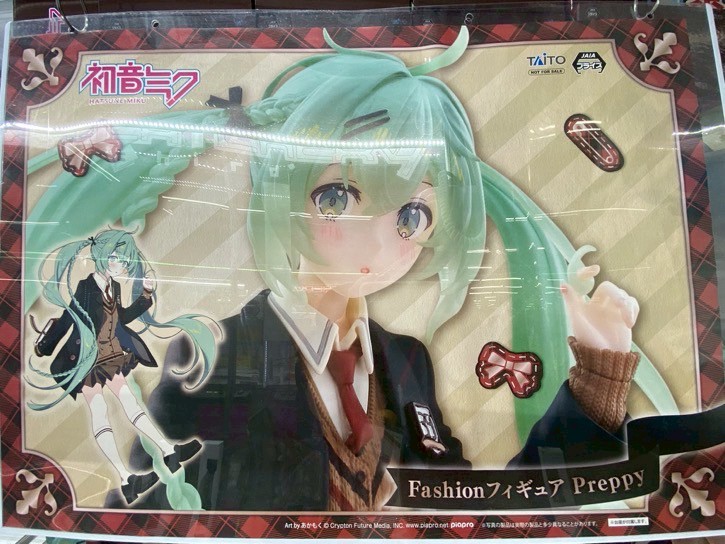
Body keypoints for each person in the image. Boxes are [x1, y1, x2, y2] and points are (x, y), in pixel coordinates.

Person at [129, 27, 647, 511]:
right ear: (282, 193)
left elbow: (474, 513)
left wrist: (597, 380)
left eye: (411, 217)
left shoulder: (406, 363)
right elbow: (143, 511)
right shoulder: (215, 356)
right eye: (335, 197)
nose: (378, 244)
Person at [29, 228, 216, 504]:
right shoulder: (85, 287)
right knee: (100, 412)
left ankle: (168, 452)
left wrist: (146, 296)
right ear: (104, 257)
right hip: (86, 360)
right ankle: (126, 477)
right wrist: (45, 346)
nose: (122, 265)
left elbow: (121, 318)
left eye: (125, 260)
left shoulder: (114, 287)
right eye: (117, 258)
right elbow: (70, 318)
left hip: (112, 353)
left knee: (131, 404)